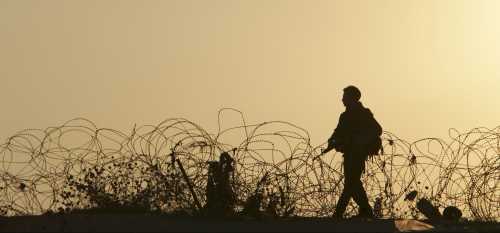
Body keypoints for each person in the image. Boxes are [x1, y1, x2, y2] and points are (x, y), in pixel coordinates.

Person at [320, 85, 382, 219]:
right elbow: (337, 132)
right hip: (349, 154)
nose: (342, 100)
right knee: (353, 183)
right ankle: (365, 211)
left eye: (345, 97)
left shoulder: (364, 113)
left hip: (359, 153)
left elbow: (377, 130)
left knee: (351, 183)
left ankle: (339, 213)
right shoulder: (344, 116)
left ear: (353, 98)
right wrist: (332, 142)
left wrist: (360, 140)